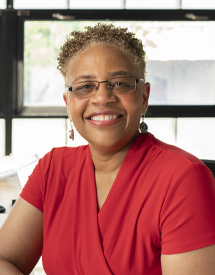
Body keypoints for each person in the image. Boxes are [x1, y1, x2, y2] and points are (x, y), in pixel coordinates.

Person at [0, 23, 215, 275]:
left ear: (144, 97)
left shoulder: (183, 177)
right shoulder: (53, 168)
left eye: (120, 84)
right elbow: (5, 258)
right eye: (85, 86)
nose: (102, 98)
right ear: (68, 104)